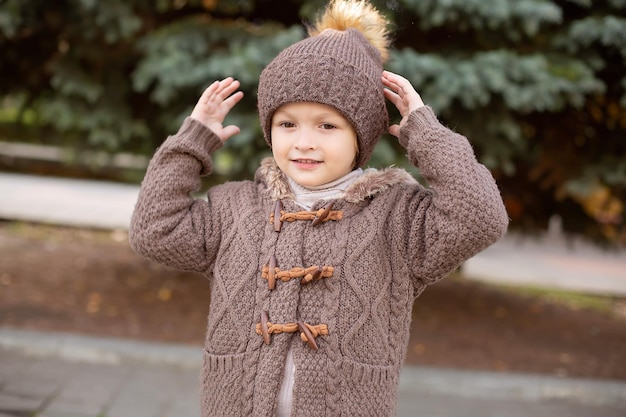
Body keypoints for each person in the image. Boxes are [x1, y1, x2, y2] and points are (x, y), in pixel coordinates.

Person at [129, 0, 508, 415]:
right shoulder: (235, 207)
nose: (304, 142)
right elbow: (154, 230)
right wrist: (192, 142)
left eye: (327, 126)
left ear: (361, 134)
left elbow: (481, 216)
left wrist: (427, 134)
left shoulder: (399, 218)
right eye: (287, 124)